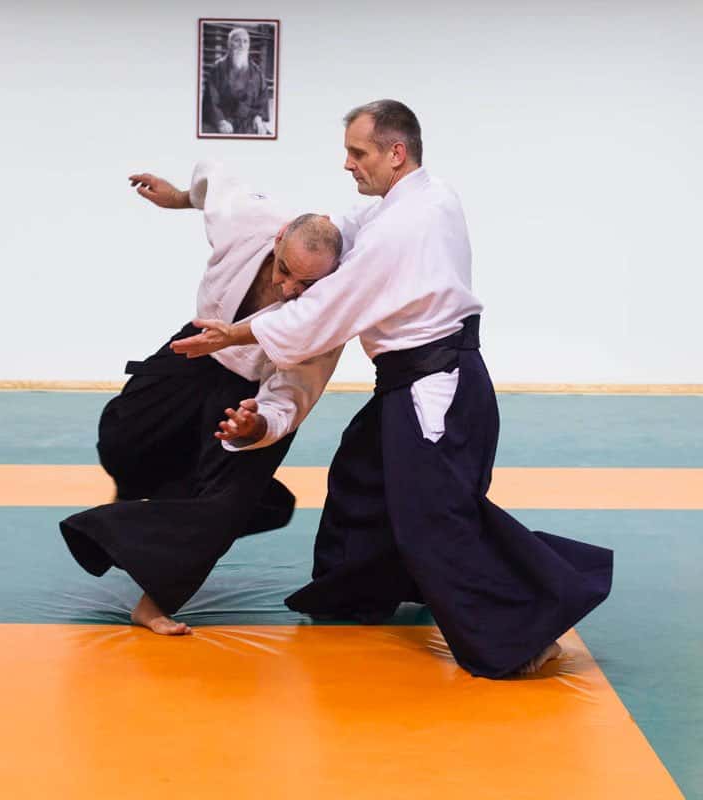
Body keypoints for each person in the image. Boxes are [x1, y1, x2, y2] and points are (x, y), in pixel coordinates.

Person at [170, 100, 614, 677]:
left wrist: (238, 331)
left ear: (395, 152)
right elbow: (341, 232)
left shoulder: (405, 225)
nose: (348, 164)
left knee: (434, 519)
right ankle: (353, 592)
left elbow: (329, 306)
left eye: (358, 153)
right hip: (414, 381)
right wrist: (298, 229)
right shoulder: (425, 198)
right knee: (362, 480)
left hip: (434, 387)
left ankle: (527, 628)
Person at [59, 161, 343, 636]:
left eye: (306, 285)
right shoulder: (250, 219)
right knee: (123, 434)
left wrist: (260, 425)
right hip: (195, 349)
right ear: (276, 242)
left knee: (224, 503)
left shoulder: (325, 312)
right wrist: (181, 198)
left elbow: (297, 388)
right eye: (286, 271)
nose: (290, 289)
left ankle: (153, 602)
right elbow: (217, 175)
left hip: (253, 395)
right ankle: (161, 504)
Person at [202, 27, 271, 135]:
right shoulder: (217, 68)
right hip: (224, 122)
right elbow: (210, 100)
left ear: (248, 45)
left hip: (249, 123)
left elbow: (262, 100)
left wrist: (258, 118)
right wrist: (220, 121)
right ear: (229, 44)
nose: (242, 45)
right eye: (237, 40)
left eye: (245, 41)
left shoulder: (256, 72)